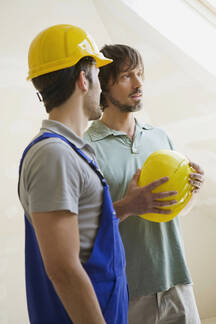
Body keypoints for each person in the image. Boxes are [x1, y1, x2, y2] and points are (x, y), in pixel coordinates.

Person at [18, 25, 131, 324]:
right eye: (97, 77)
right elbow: (63, 269)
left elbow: (85, 236)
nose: (100, 88)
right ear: (83, 79)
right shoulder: (53, 155)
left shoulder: (72, 152)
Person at [84, 44, 204, 324]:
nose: (138, 83)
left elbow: (175, 212)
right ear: (103, 86)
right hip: (127, 292)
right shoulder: (86, 148)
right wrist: (129, 205)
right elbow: (84, 228)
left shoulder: (160, 137)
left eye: (139, 74)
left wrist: (191, 191)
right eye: (126, 76)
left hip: (177, 283)